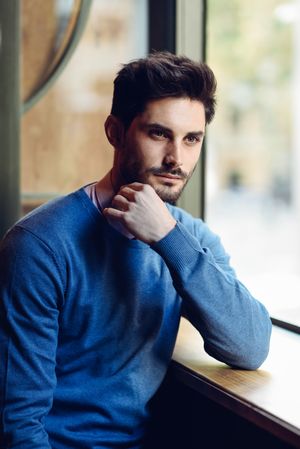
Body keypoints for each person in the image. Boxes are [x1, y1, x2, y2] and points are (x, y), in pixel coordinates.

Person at [0, 52, 272, 449]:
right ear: (115, 132)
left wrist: (168, 237)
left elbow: (250, 346)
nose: (176, 159)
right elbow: (19, 428)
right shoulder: (39, 246)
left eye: (191, 139)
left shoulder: (189, 238)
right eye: (159, 133)